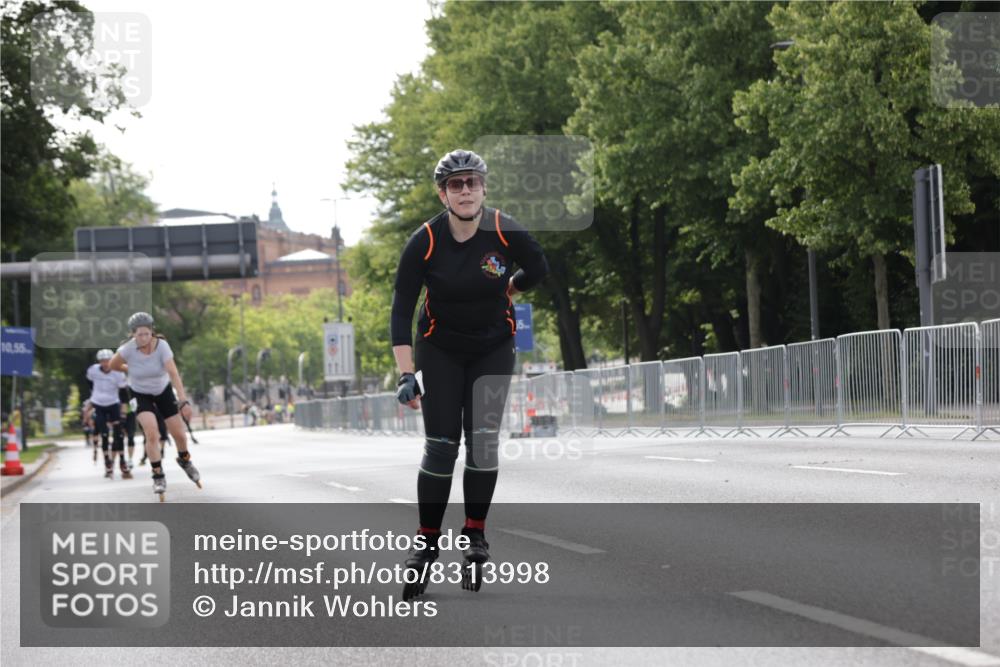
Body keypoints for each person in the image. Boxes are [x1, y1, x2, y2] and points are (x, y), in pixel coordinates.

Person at [390, 149, 548, 598]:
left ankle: (475, 532)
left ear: (483, 188)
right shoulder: (424, 241)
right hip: (439, 349)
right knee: (441, 447)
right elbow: (402, 311)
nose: (464, 191)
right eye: (455, 184)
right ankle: (426, 542)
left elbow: (539, 267)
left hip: (494, 348)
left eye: (472, 183)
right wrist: (406, 374)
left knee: (482, 441)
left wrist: (511, 286)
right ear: (443, 193)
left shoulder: (504, 228)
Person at [110, 312, 201, 500]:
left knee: (179, 435)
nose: (143, 338)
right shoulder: (127, 349)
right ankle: (158, 476)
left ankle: (184, 460)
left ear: (152, 331)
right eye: (139, 335)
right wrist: (130, 369)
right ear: (133, 335)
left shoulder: (162, 347)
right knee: (152, 433)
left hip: (163, 391)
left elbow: (173, 373)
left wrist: (183, 399)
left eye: (146, 333)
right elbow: (113, 365)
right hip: (139, 393)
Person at [86, 350, 131, 479]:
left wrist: (123, 412)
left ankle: (122, 460)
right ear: (99, 362)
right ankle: (107, 462)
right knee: (104, 434)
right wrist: (94, 396)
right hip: (98, 403)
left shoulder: (118, 372)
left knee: (119, 434)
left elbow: (123, 394)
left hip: (113, 403)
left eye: (107, 361)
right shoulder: (93, 370)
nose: (105, 363)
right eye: (102, 361)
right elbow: (89, 384)